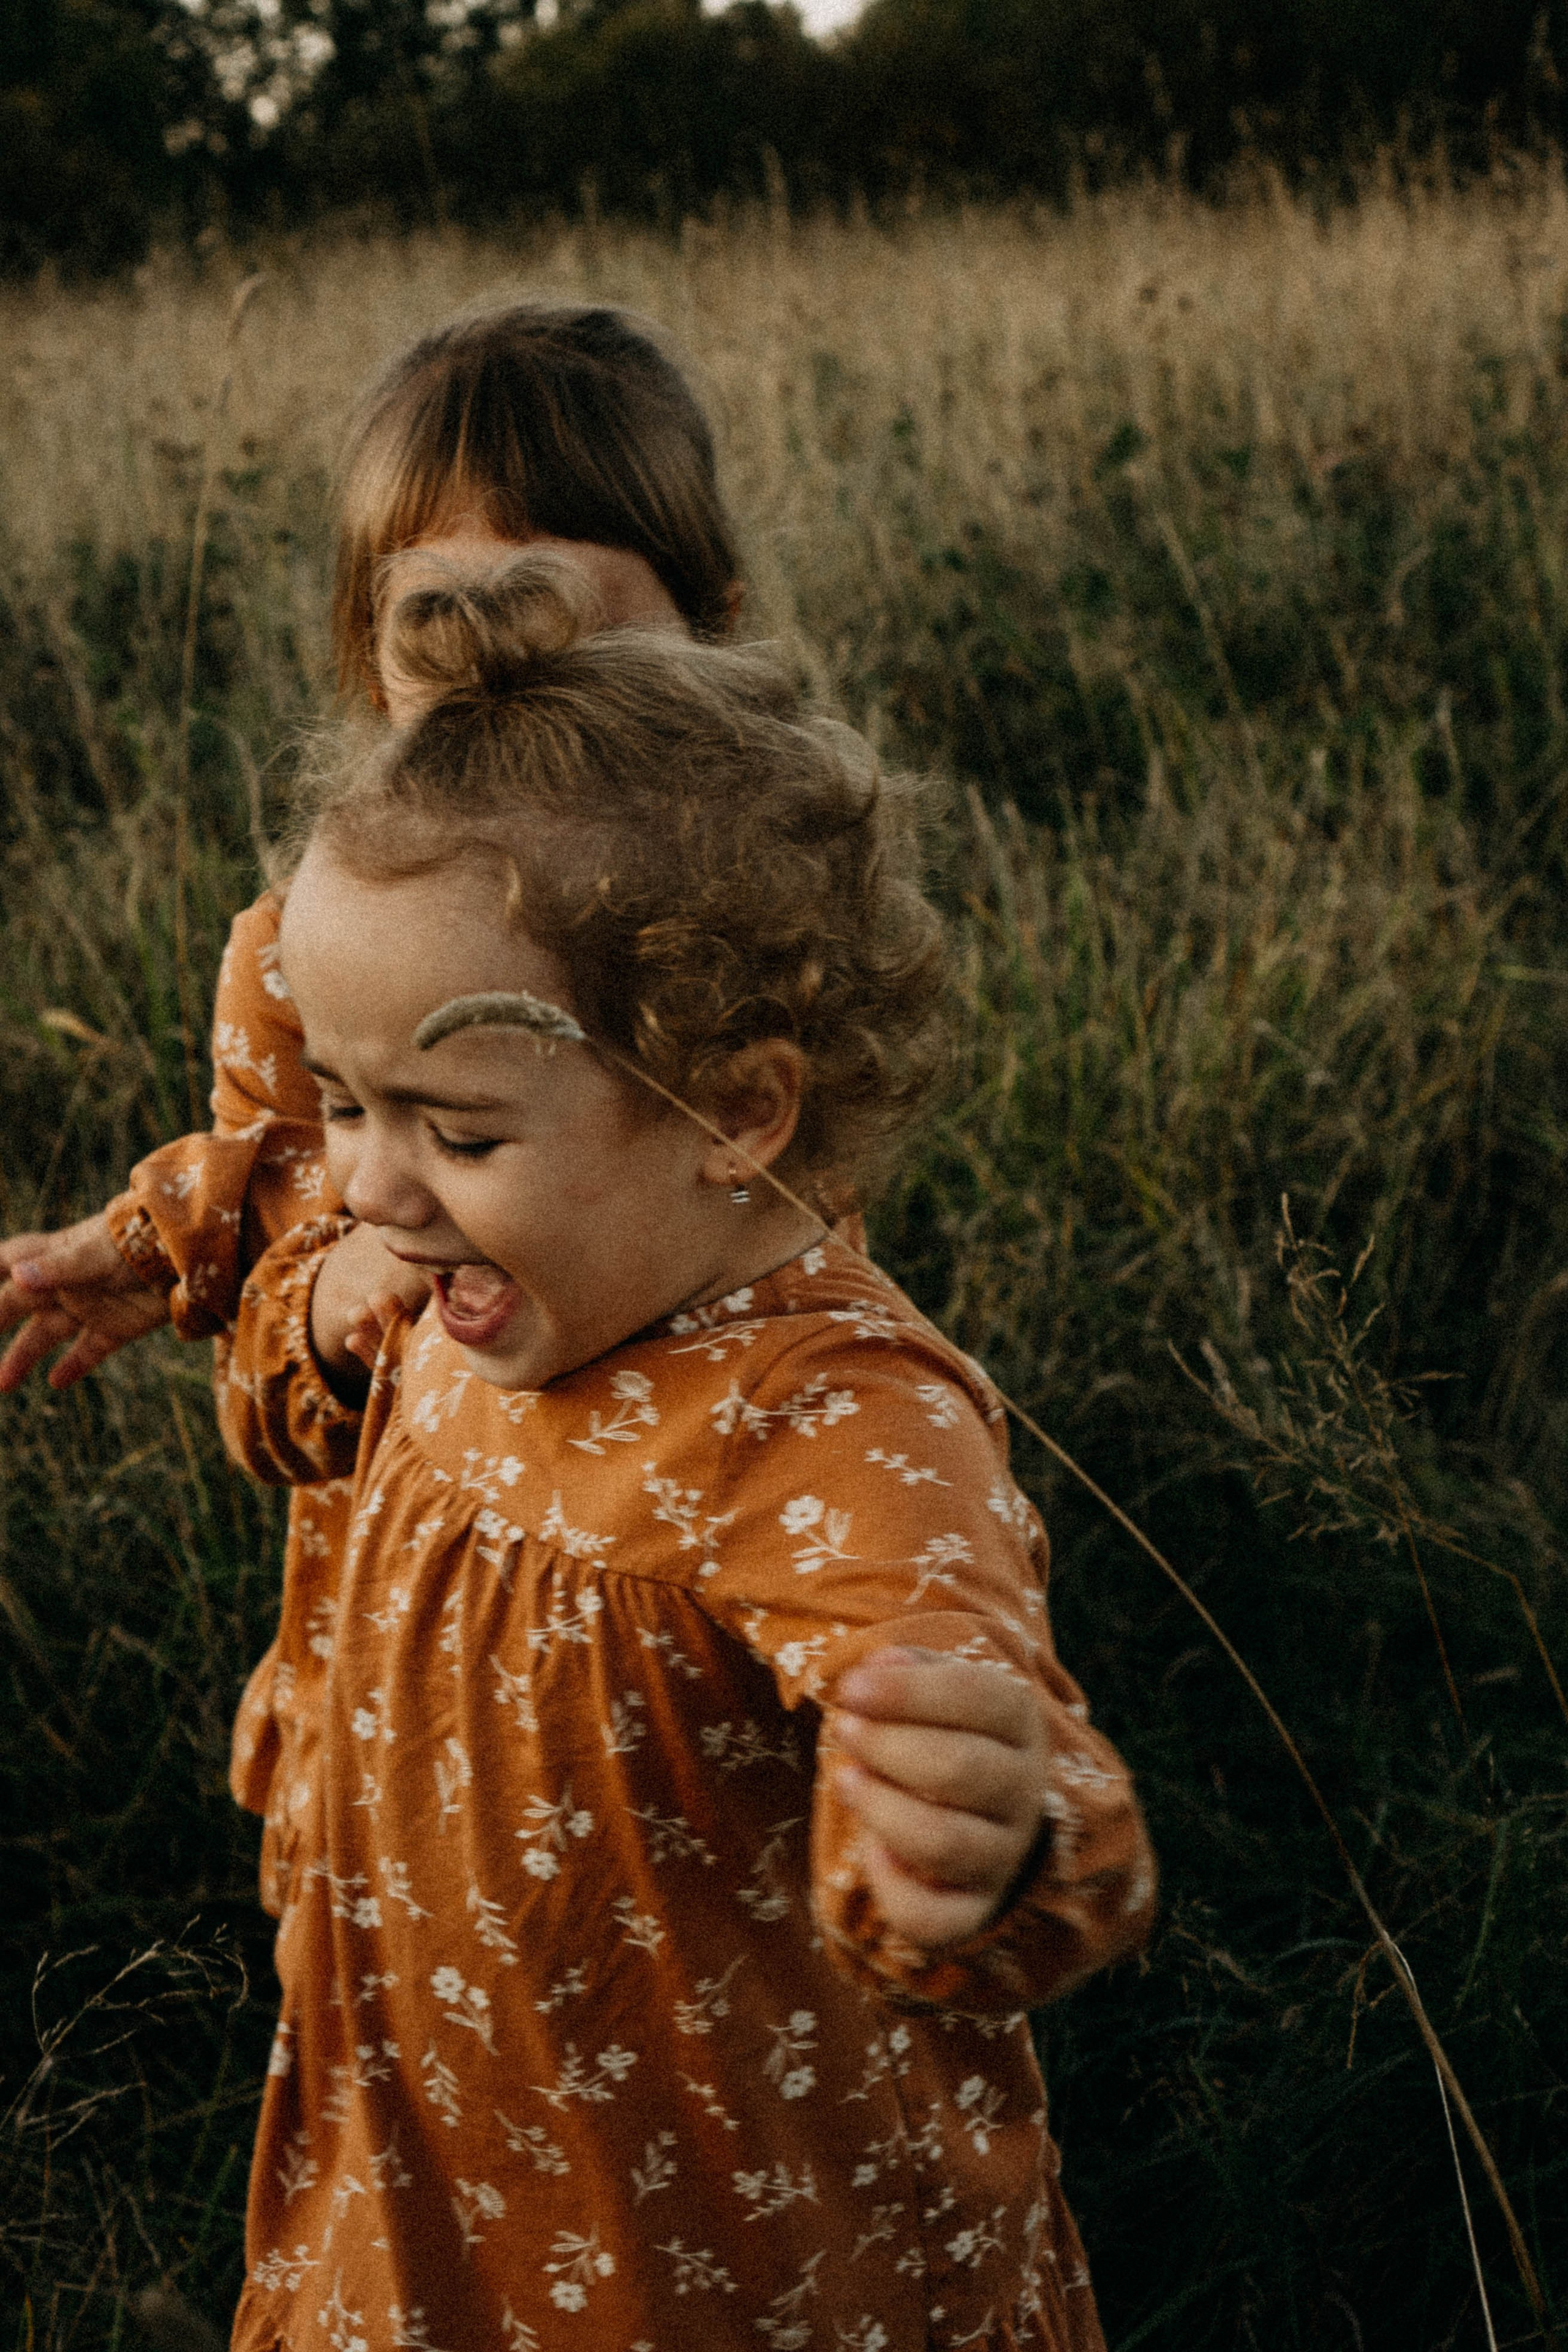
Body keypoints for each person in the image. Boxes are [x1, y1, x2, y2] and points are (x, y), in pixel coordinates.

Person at [218, 551, 1155, 2351]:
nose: (367, 1185)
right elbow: (287, 1372)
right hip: (421, 2187)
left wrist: (993, 1833)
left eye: (457, 1129)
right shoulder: (463, 1286)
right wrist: (246, 1290)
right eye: (344, 1104)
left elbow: (1036, 1797)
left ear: (732, 1110)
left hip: (727, 2260)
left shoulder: (832, 1423)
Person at [0, 300, 967, 1921]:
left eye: (557, 633)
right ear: (362, 652)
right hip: (390, 1696)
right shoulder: (298, 966)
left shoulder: (728, 974)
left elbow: (796, 1375)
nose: (493, 697)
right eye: (430, 629)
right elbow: (268, 1405)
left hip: (659, 1736)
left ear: (711, 635)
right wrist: (319, 1300)